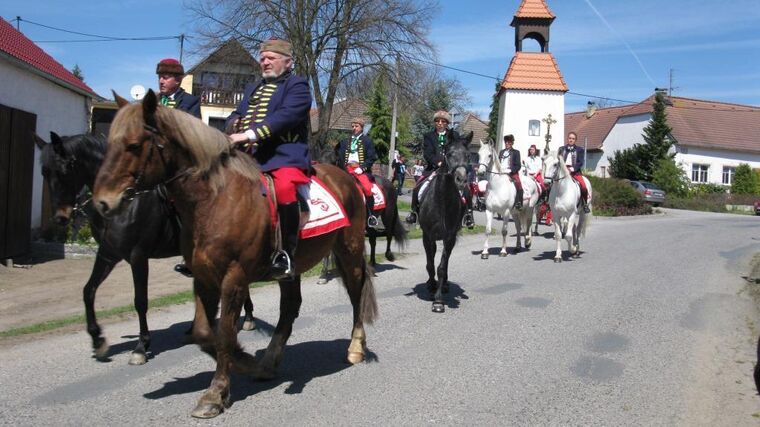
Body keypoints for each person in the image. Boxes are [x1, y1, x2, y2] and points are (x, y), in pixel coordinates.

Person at [226, 39, 312, 279]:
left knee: (284, 189)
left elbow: (286, 116)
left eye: (271, 58)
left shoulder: (298, 85)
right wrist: (234, 125)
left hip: (284, 154)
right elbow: (236, 114)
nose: (264, 62)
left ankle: (286, 254)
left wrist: (250, 133)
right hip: (248, 156)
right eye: (262, 58)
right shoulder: (253, 87)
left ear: (287, 61)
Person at [157, 58, 202, 277]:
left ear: (178, 80)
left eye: (165, 77)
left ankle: (189, 251)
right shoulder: (154, 100)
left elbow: (191, 131)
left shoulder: (190, 102)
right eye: (160, 77)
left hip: (180, 165)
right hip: (156, 161)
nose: (161, 81)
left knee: (184, 201)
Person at [406, 110, 474, 228]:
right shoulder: (429, 136)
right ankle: (414, 213)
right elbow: (427, 153)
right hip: (433, 168)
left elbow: (459, 151)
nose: (440, 123)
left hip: (452, 169)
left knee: (466, 189)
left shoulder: (455, 135)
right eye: (437, 121)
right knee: (418, 186)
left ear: (447, 123)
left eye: (443, 121)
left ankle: (468, 215)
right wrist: (437, 162)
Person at [335, 117, 379, 228]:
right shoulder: (345, 141)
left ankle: (371, 216)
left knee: (367, 189)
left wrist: (362, 167)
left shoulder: (367, 141)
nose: (354, 128)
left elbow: (371, 157)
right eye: (353, 126)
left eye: (356, 126)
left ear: (362, 127)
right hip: (346, 169)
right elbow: (339, 155)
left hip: (360, 170)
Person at [557, 131, 590, 213]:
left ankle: (585, 204)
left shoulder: (580, 150)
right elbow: (557, 160)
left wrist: (572, 169)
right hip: (562, 171)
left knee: (584, 187)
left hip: (575, 172)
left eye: (573, 139)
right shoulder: (561, 149)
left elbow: (580, 162)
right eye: (570, 138)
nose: (571, 140)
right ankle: (549, 202)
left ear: (575, 140)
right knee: (552, 184)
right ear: (567, 139)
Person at [498, 134, 523, 209]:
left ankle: (519, 202)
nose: (507, 144)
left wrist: (511, 172)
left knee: (518, 183)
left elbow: (518, 165)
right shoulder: (501, 152)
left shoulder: (516, 152)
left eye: (508, 143)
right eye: (506, 142)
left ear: (511, 143)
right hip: (501, 172)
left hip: (511, 173)